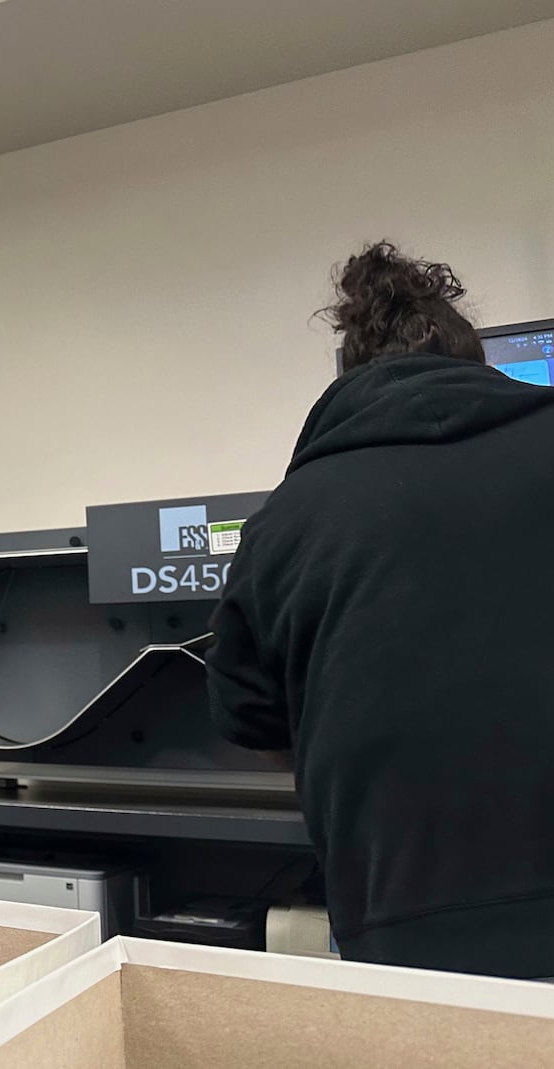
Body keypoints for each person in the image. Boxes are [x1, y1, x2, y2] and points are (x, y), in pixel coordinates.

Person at [207, 241, 554, 979]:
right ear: (479, 366)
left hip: (403, 928)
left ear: (349, 376)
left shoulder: (286, 519)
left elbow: (248, 716)